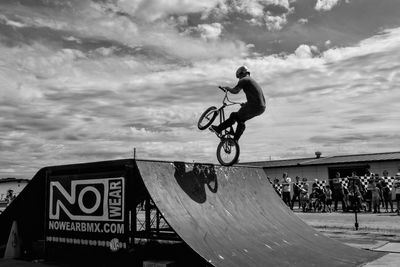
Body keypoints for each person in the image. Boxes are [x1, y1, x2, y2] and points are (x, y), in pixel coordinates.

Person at [210, 66, 266, 141]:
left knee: (234, 115)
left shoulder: (244, 80)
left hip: (254, 106)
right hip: (261, 108)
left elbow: (235, 91)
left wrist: (228, 88)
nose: (239, 79)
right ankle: (235, 141)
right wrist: (246, 104)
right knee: (241, 120)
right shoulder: (252, 81)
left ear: (241, 73)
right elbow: (256, 96)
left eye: (238, 76)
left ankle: (219, 129)